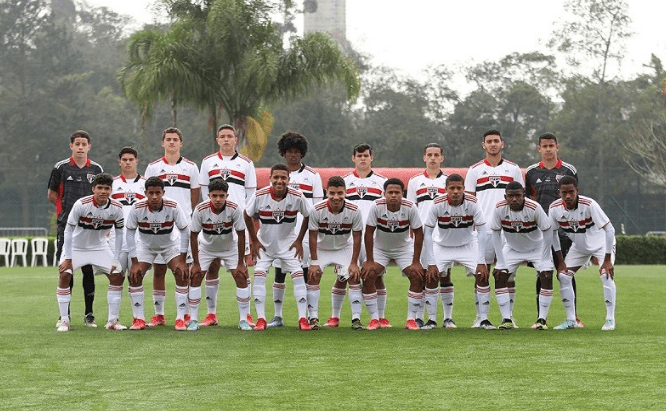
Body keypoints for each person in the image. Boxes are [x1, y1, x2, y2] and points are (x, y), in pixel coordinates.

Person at [198, 124, 256, 327]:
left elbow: (251, 197)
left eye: (229, 136)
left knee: (241, 271)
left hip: (237, 223)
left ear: (236, 139)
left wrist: (248, 223)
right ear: (217, 139)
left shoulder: (246, 163)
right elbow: (203, 194)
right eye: (222, 136)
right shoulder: (207, 162)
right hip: (212, 223)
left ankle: (246, 315)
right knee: (212, 266)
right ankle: (211, 314)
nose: (226, 139)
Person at [465, 129, 523, 328]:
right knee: (481, 273)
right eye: (488, 141)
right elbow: (469, 201)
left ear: (502, 143)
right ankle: (481, 317)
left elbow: (520, 200)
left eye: (496, 141)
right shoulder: (474, 170)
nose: (492, 144)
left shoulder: (513, 169)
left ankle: (508, 317)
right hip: (483, 230)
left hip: (508, 229)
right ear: (483, 145)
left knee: (508, 274)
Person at [243, 164, 312, 331]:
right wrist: (254, 240)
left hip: (289, 245)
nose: (279, 181)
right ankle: (261, 319)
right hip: (264, 245)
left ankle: (303, 318)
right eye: (276, 177)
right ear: (270, 178)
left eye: (283, 178)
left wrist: (299, 240)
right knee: (259, 276)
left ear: (289, 179)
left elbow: (309, 215)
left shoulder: (297, 196)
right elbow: (246, 214)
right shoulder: (260, 195)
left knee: (298, 276)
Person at [524, 133, 582, 328]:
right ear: (538, 149)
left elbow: (575, 197)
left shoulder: (569, 169)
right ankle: (541, 317)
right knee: (542, 273)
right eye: (544, 146)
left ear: (557, 147)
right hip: (540, 232)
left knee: (566, 273)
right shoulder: (531, 172)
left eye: (551, 145)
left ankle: (574, 317)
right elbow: (529, 201)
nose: (548, 149)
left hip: (565, 230)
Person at [144, 127, 200, 327]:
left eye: (175, 139)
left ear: (181, 143)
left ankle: (183, 314)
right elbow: (148, 195)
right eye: (168, 139)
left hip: (182, 226)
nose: (171, 142)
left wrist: (185, 214)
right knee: (158, 270)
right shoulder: (153, 167)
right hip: (159, 225)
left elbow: (195, 196)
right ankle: (159, 314)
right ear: (163, 143)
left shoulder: (191, 167)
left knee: (182, 270)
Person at [55, 173, 125, 331]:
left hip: (99, 247)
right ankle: (64, 320)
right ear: (93, 189)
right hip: (76, 247)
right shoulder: (81, 204)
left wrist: (116, 259)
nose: (103, 191)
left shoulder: (117, 208)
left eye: (107, 188)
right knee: (65, 274)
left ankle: (112, 321)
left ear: (111, 190)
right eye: (99, 188)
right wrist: (68, 257)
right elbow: (68, 230)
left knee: (117, 275)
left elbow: (120, 233)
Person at [48, 130, 104, 327]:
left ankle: (89, 314)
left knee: (88, 268)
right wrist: (66, 213)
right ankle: (65, 315)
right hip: (66, 226)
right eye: (77, 144)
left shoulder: (96, 169)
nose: (80, 147)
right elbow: (52, 194)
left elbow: (100, 195)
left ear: (89, 147)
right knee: (67, 269)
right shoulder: (61, 168)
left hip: (89, 227)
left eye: (84, 144)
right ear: (71, 146)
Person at [268, 131, 323, 328]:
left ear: (302, 154)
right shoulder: (278, 175)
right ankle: (277, 316)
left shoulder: (312, 176)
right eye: (289, 151)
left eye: (297, 152)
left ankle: (309, 315)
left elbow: (316, 208)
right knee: (279, 273)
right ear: (283, 153)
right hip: (280, 232)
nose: (293, 155)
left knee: (306, 272)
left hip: (304, 233)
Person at [423, 174, 492, 329]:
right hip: (443, 246)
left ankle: (483, 319)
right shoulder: (437, 203)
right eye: (452, 188)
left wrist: (481, 261)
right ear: (446, 189)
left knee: (483, 275)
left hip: (467, 245)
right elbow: (427, 232)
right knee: (432, 277)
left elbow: (482, 231)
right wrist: (431, 262)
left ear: (464, 189)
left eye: (459, 188)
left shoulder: (473, 202)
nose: (455, 191)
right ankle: (432, 320)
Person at [329, 144, 387, 329]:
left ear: (372, 158)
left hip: (374, 237)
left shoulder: (381, 182)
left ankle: (380, 317)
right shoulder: (344, 182)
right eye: (359, 155)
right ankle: (335, 317)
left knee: (375, 276)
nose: (363, 159)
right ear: (353, 158)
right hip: (347, 238)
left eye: (366, 155)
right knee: (343, 276)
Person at [549, 176, 617, 331]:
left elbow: (609, 229)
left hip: (601, 245)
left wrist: (607, 259)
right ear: (559, 192)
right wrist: (560, 261)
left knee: (606, 274)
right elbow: (552, 234)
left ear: (577, 191)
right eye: (564, 192)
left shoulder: (589, 204)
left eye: (571, 192)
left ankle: (610, 319)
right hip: (579, 247)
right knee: (564, 276)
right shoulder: (554, 209)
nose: (568, 196)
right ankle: (571, 320)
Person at [125, 177, 190, 330]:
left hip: (169, 245)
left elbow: (185, 231)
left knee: (181, 273)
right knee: (135, 275)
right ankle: (139, 319)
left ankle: (181, 317)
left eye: (158, 193)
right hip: (146, 246)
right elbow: (129, 234)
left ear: (163, 193)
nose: (154, 197)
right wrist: (134, 262)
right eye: (151, 193)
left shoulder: (173, 206)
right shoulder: (137, 208)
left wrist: (182, 259)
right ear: (145, 193)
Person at [362, 178, 424, 331]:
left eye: (397, 192)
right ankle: (375, 319)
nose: (394, 195)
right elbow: (369, 232)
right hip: (380, 248)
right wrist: (369, 260)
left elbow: (419, 233)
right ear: (384, 194)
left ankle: (411, 319)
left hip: (404, 248)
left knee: (417, 275)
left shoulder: (410, 207)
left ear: (402, 194)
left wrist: (416, 261)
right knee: (369, 274)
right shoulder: (376, 206)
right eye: (390, 192)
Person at [490, 181, 554, 330]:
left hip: (536, 248)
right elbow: (495, 233)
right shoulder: (499, 208)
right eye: (510, 196)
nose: (514, 199)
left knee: (546, 275)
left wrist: (544, 258)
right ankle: (507, 319)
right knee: (500, 275)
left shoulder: (534, 207)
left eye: (517, 196)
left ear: (523, 195)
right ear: (505, 196)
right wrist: (500, 261)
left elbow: (547, 230)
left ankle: (542, 320)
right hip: (512, 248)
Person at [189, 179, 250, 331]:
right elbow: (193, 235)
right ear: (208, 195)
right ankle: (194, 320)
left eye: (221, 196)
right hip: (207, 248)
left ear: (226, 195)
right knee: (196, 276)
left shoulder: (234, 209)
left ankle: (244, 320)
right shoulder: (200, 210)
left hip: (230, 247)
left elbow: (242, 234)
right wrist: (196, 263)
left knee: (241, 276)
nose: (218, 199)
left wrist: (241, 262)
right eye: (214, 195)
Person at [307, 176, 363, 330]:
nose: (336, 197)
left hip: (344, 247)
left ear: (345, 192)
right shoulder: (316, 209)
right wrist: (313, 262)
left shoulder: (354, 210)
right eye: (332, 193)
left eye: (340, 193)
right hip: (321, 247)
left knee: (353, 277)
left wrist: (353, 263)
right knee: (313, 276)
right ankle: (313, 318)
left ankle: (356, 319)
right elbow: (312, 236)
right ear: (326, 193)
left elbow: (357, 237)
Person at [406, 143, 450, 329]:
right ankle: (418, 317)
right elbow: (410, 209)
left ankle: (447, 318)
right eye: (429, 155)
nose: (432, 158)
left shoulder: (448, 181)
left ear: (442, 158)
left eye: (436, 155)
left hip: (444, 234)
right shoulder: (415, 181)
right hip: (422, 235)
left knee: (444, 276)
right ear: (424, 158)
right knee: (422, 276)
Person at [111, 147, 147, 278]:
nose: (128, 162)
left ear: (136, 161)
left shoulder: (146, 184)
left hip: (139, 241)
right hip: (117, 241)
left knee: (136, 279)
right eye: (124, 160)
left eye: (131, 159)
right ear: (119, 162)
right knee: (115, 280)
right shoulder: (112, 184)